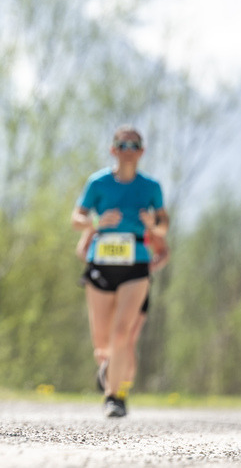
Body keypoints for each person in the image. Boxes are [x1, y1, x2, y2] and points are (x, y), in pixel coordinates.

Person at [71, 125, 168, 418]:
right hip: (101, 264)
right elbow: (77, 218)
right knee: (102, 342)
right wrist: (97, 223)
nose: (128, 150)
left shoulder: (151, 187)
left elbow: (164, 227)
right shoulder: (98, 183)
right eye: (122, 145)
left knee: (123, 333)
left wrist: (152, 224)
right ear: (113, 150)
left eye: (133, 145)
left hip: (136, 264)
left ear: (142, 151)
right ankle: (111, 367)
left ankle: (115, 396)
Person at [78, 228, 170, 393]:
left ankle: (120, 392)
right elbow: (82, 249)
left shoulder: (141, 220)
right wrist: (101, 261)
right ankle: (110, 370)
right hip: (105, 282)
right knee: (103, 346)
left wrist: (150, 265)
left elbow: (163, 251)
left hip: (135, 283)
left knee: (127, 339)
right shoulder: (102, 218)